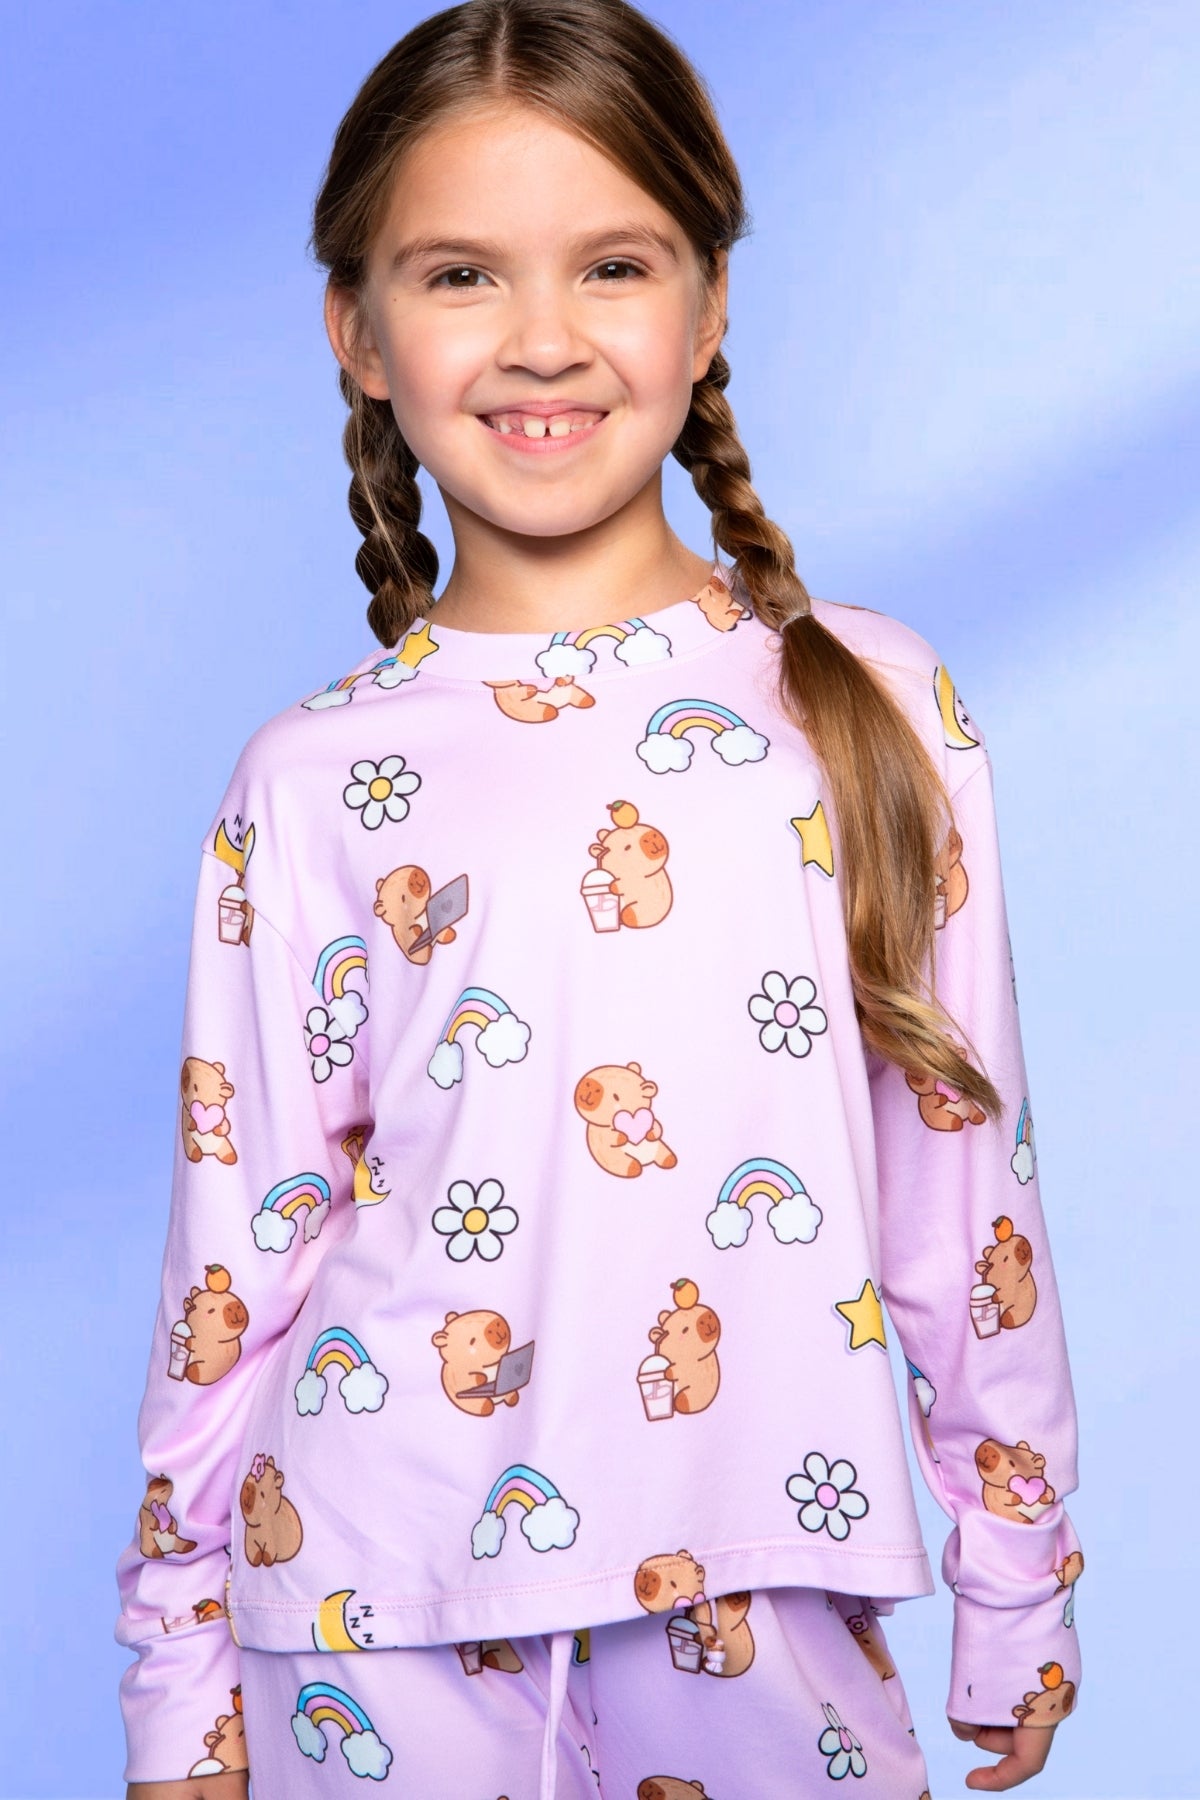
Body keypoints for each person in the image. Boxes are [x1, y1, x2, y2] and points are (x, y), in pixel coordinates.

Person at [115, 3, 1083, 1795]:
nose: (543, 337)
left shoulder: (869, 708)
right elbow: (235, 1251)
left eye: (614, 265)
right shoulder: (308, 778)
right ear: (358, 333)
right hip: (365, 1602)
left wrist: (1016, 1570)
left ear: (707, 311)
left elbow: (967, 1183)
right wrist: (178, 1669)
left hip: (761, 1572)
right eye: (461, 274)